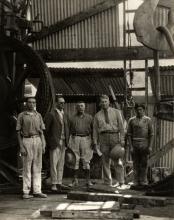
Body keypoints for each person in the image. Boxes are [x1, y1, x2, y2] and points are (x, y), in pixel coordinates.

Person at [16, 97, 47, 199]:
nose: (32, 104)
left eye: (33, 102)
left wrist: (43, 143)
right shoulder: (22, 115)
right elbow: (18, 132)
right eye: (30, 102)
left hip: (37, 140)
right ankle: (26, 191)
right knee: (27, 167)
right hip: (27, 140)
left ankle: (37, 191)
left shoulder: (38, 115)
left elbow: (42, 131)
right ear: (26, 104)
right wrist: (21, 146)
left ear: (35, 104)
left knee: (38, 166)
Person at [93, 95, 125, 188]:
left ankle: (121, 181)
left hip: (115, 136)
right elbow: (95, 130)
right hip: (103, 138)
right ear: (100, 103)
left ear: (109, 102)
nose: (104, 103)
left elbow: (122, 127)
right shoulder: (97, 115)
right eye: (102, 102)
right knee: (105, 161)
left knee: (117, 160)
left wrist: (122, 139)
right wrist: (95, 142)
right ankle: (108, 182)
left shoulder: (117, 112)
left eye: (105, 101)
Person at [45, 96, 70, 192]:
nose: (62, 104)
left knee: (61, 163)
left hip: (64, 141)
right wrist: (50, 142)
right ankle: (54, 184)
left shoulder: (65, 114)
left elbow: (68, 128)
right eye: (60, 103)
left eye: (63, 103)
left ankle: (59, 182)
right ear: (56, 103)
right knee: (53, 163)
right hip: (55, 142)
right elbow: (46, 130)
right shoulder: (51, 114)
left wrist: (67, 140)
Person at [127, 103, 154, 187]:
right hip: (135, 144)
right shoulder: (131, 120)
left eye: (141, 109)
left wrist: (150, 146)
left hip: (144, 144)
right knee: (135, 163)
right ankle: (135, 181)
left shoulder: (148, 120)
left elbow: (151, 134)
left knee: (144, 163)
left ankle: (143, 181)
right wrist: (131, 146)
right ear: (135, 110)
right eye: (137, 110)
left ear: (144, 110)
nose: (139, 111)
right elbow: (129, 134)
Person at [69, 101, 93, 187]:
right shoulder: (72, 118)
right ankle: (75, 180)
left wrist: (93, 141)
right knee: (75, 159)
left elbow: (93, 130)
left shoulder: (90, 117)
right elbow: (68, 130)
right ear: (76, 108)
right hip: (75, 138)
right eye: (78, 106)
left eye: (82, 106)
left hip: (86, 138)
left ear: (85, 107)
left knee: (86, 160)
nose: (80, 108)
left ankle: (88, 180)